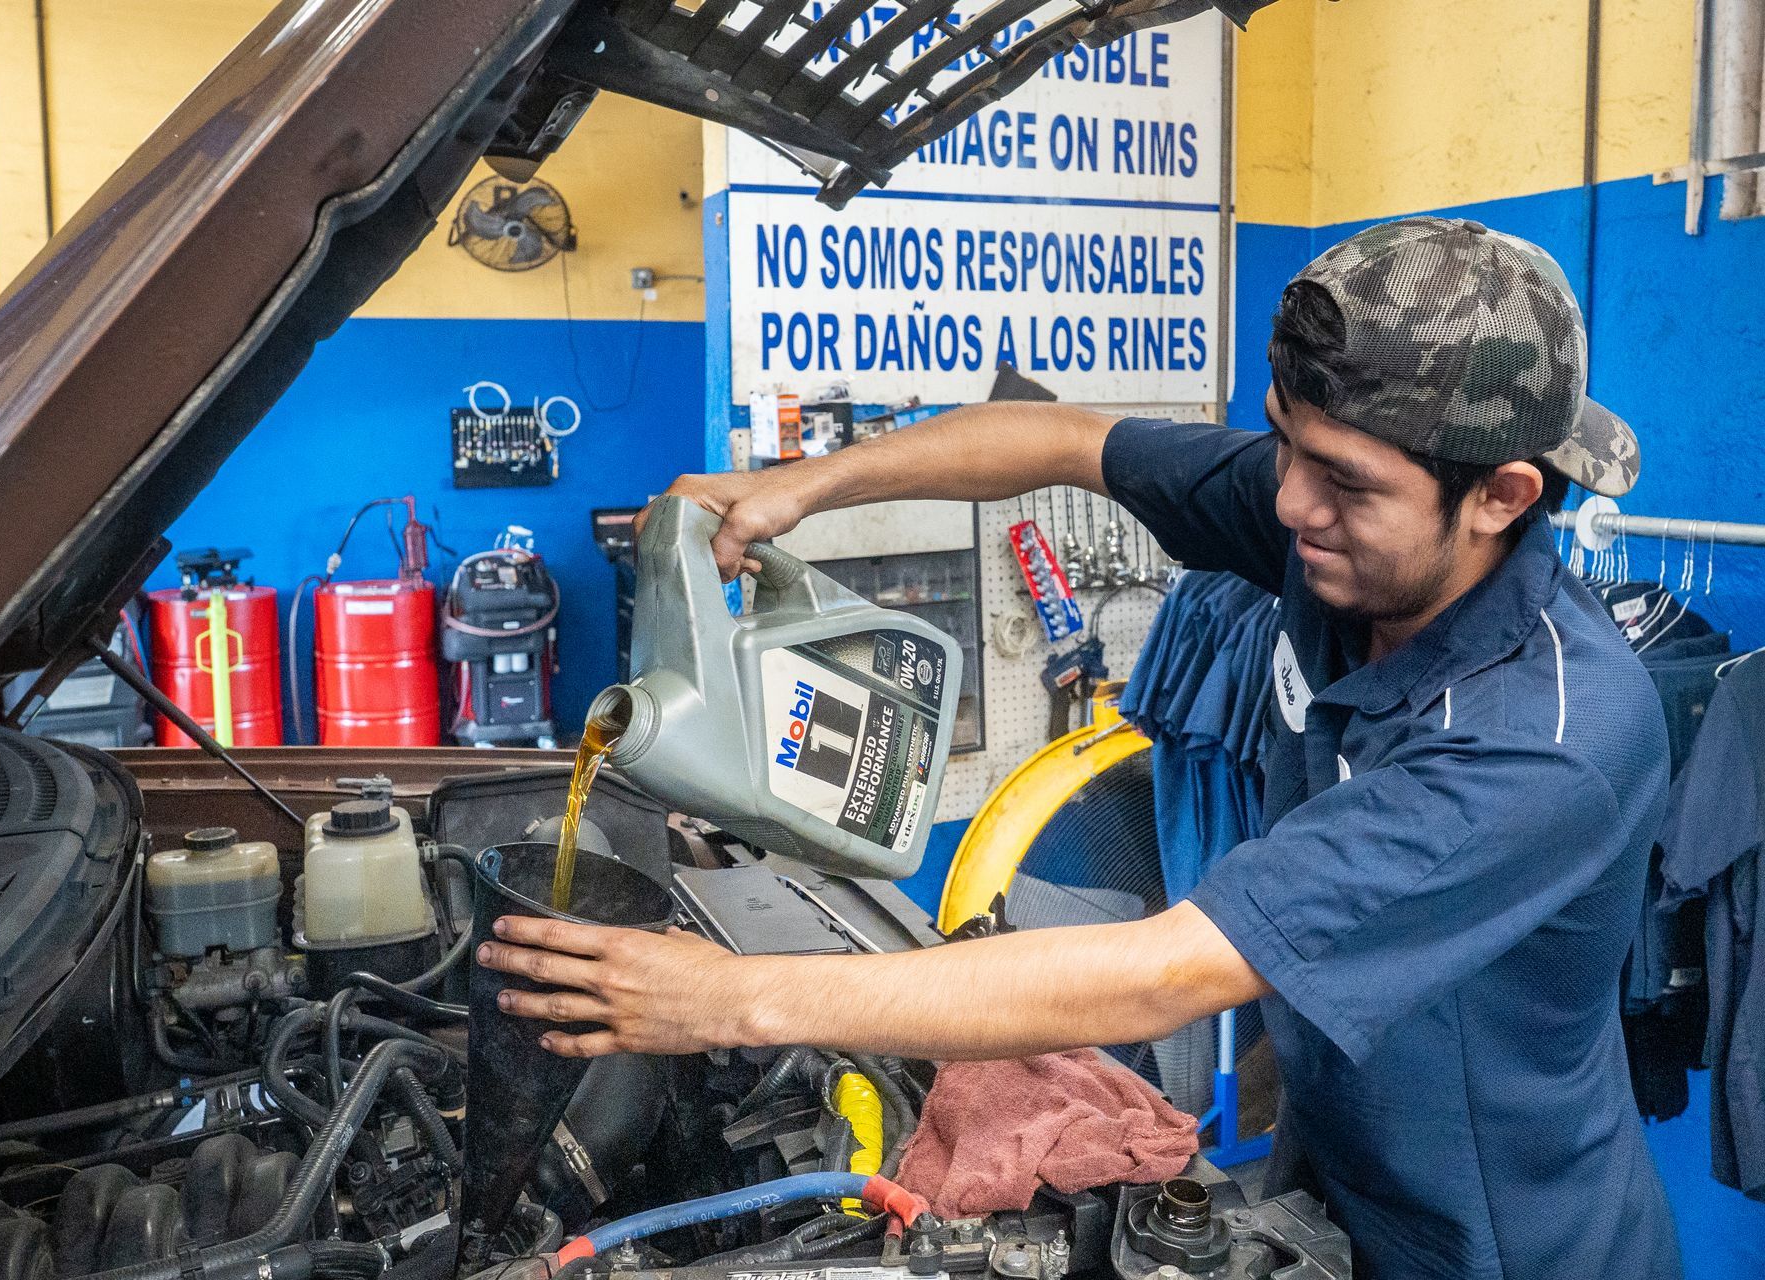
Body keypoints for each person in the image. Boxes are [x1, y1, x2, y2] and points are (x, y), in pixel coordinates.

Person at [478, 217, 1680, 1279]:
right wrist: (798, 486)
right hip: (1329, 1189)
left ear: (1501, 496)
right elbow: (1061, 439)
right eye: (1287, 446)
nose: (1288, 502)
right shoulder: (1345, 528)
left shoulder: (1540, 743)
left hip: (1497, 1242)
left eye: (1345, 483)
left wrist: (732, 996)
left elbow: (1166, 969)